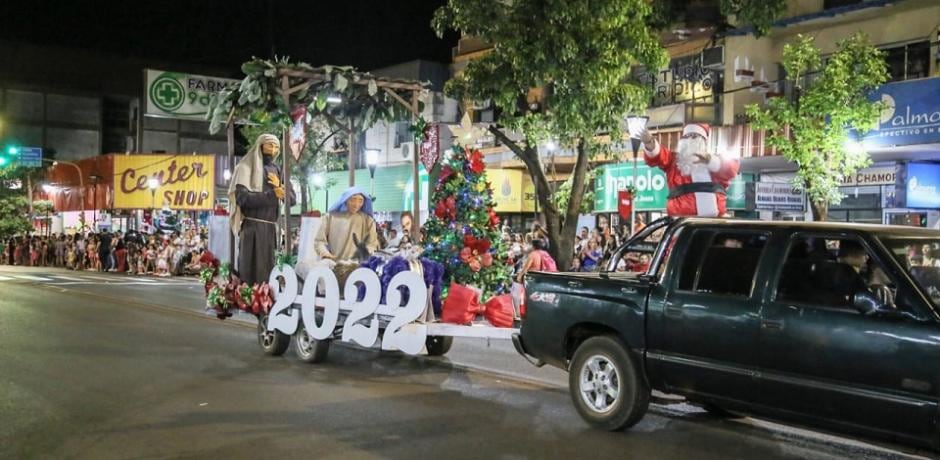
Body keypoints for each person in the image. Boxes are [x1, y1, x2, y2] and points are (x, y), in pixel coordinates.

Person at [228, 133, 295, 285]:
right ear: (260, 145)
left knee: (268, 269)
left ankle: (265, 300)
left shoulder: (278, 171)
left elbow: (291, 200)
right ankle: (248, 299)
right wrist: (272, 195)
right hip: (252, 227)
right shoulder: (245, 167)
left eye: (276, 146)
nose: (274, 148)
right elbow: (243, 199)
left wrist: (279, 187)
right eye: (270, 144)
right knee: (249, 267)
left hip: (270, 228)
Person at [639, 123, 740, 217]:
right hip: (682, 223)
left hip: (714, 223)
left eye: (694, 136)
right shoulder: (673, 161)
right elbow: (659, 155)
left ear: (703, 141)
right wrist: (649, 142)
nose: (690, 140)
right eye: (687, 136)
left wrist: (710, 161)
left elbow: (731, 169)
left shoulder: (714, 164)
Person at [314, 188, 379, 262]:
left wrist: (361, 257)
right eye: (353, 200)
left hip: (357, 266)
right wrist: (324, 253)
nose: (356, 204)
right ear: (345, 200)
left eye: (360, 201)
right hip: (334, 264)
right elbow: (319, 241)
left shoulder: (368, 220)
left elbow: (372, 244)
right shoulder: (330, 217)